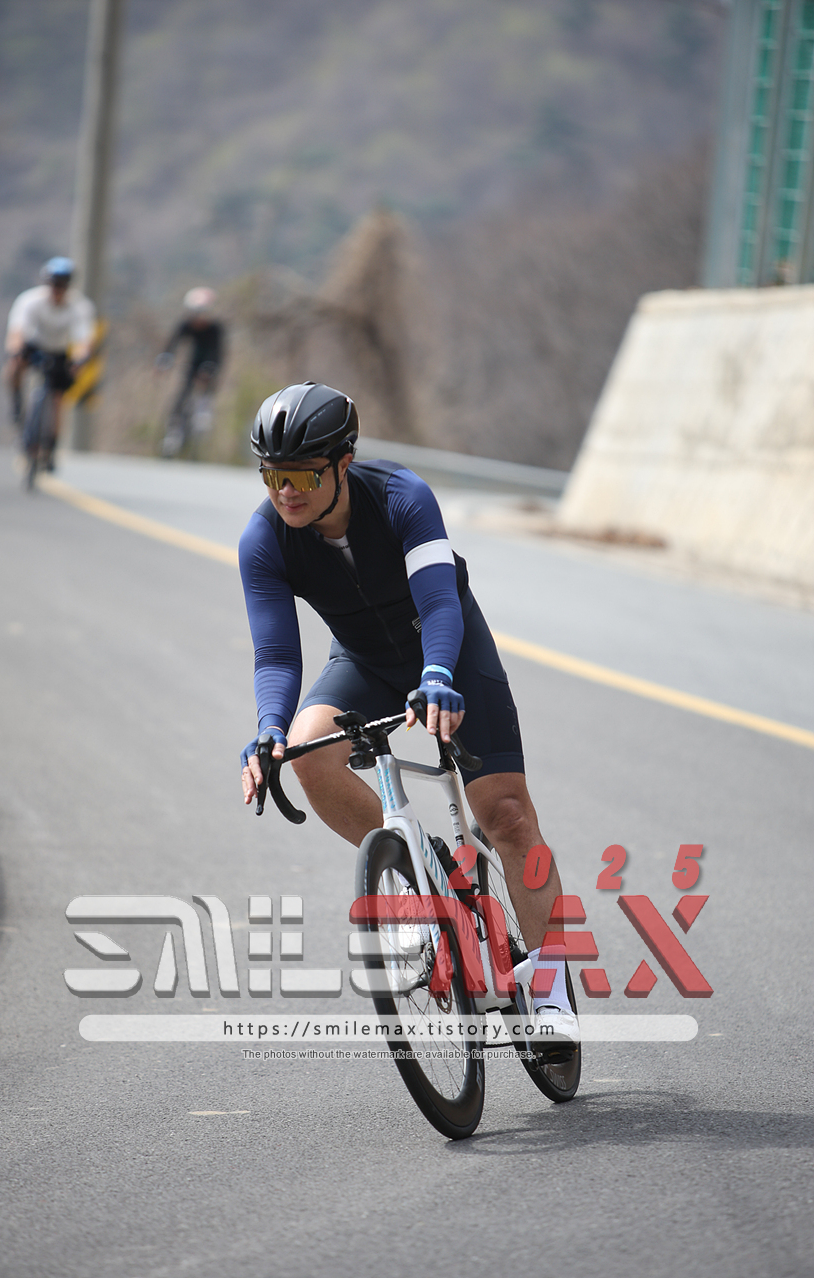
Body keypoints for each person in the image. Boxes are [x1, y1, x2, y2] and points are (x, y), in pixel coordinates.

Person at [237, 381, 578, 1044]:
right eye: (273, 475)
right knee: (308, 749)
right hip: (364, 661)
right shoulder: (265, 539)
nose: (286, 492)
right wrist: (269, 729)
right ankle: (419, 874)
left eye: (302, 474)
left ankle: (553, 994)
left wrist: (438, 675)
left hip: (448, 650)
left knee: (506, 813)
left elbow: (441, 601)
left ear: (343, 462)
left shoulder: (401, 496)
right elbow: (276, 654)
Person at [4, 257, 97, 471]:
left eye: (62, 285)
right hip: (34, 346)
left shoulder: (80, 307)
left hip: (60, 352)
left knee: (57, 398)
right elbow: (17, 332)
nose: (57, 290)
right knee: (13, 366)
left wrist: (80, 359)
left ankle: (51, 446)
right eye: (54, 284)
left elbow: (84, 341)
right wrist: (15, 352)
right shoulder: (30, 301)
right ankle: (16, 403)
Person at [155, 287, 226, 457]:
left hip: (210, 363)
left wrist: (210, 369)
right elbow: (172, 344)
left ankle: (203, 417)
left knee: (205, 391)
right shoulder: (186, 325)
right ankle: (173, 432)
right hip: (193, 363)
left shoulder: (215, 328)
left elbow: (218, 352)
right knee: (182, 395)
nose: (197, 318)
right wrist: (164, 361)